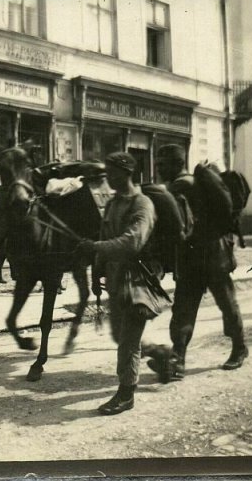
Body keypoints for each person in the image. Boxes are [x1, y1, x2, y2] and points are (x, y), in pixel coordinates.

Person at [153, 144, 248, 379]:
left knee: (224, 303)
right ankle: (178, 358)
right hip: (195, 255)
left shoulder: (181, 185)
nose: (158, 169)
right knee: (185, 306)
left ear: (177, 163)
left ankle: (239, 347)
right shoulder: (183, 185)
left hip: (211, 254)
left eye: (162, 164)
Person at [76, 152, 160, 416]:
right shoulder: (113, 203)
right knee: (118, 335)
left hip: (137, 280)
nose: (108, 179)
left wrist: (96, 247)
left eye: (112, 174)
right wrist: (97, 272)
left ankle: (126, 394)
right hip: (115, 278)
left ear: (126, 174)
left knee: (128, 341)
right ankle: (162, 355)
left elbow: (133, 241)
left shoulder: (142, 204)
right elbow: (105, 234)